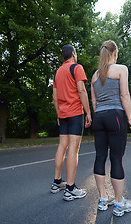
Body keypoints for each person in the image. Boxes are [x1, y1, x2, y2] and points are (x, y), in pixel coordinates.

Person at [91, 40, 131, 216]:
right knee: (116, 158)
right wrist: (130, 119)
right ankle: (118, 203)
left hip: (99, 117)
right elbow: (124, 94)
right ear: (115, 53)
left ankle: (103, 199)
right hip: (115, 116)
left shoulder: (95, 75)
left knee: (100, 157)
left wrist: (99, 117)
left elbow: (94, 101)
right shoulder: (121, 69)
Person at [51, 44, 92, 201]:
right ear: (73, 54)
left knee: (62, 145)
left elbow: (55, 97)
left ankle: (57, 183)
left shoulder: (57, 72)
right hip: (75, 113)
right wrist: (88, 112)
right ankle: (70, 188)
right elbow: (81, 90)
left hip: (63, 114)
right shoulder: (76, 68)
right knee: (73, 149)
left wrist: (58, 114)